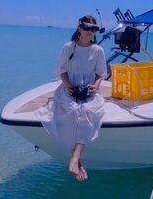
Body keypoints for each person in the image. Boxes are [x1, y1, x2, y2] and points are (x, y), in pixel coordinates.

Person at [36, 15, 106, 182]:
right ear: (79, 28)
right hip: (69, 87)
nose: (90, 31)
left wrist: (96, 86)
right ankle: (77, 160)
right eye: (86, 27)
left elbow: (100, 73)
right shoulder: (69, 47)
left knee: (87, 111)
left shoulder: (98, 50)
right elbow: (62, 70)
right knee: (71, 113)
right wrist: (67, 84)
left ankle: (75, 158)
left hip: (89, 89)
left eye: (93, 29)